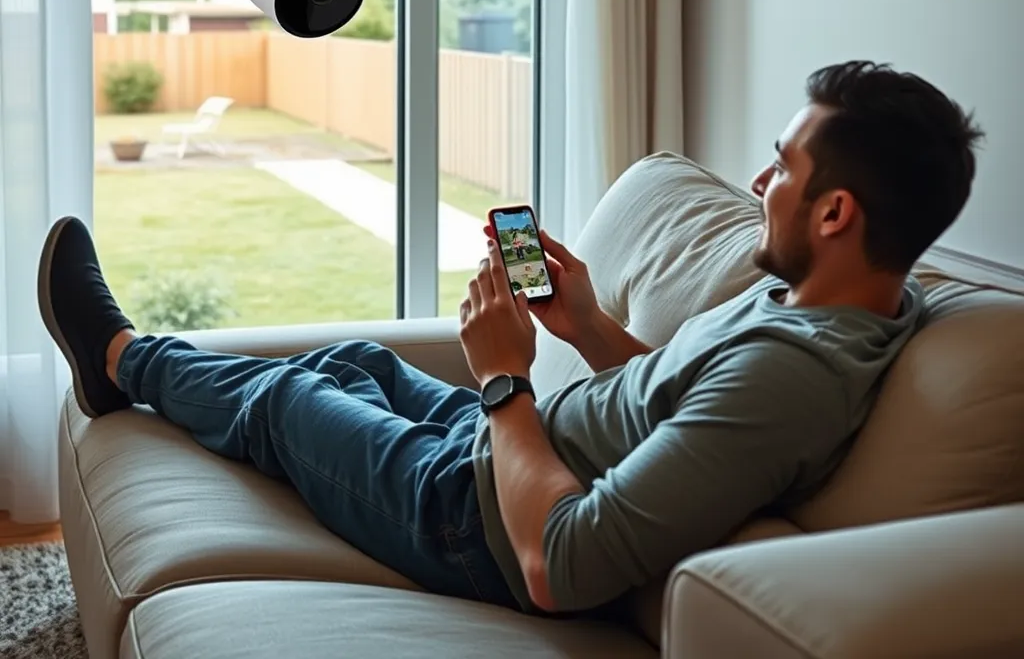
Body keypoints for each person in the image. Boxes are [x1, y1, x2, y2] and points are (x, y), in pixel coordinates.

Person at [37, 61, 983, 616]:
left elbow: (562, 563)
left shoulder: (798, 378)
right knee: (360, 364)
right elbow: (686, 392)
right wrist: (586, 326)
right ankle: (135, 370)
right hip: (507, 452)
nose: (756, 181)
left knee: (289, 399)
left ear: (836, 212)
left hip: (474, 522)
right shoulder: (835, 309)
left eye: (782, 169)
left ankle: (119, 356)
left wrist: (503, 380)